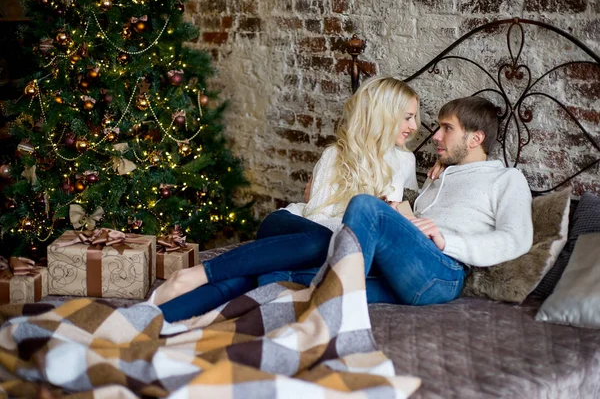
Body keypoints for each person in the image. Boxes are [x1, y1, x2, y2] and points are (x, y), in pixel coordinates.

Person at [152, 75, 421, 319]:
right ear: (383, 115)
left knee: (255, 278)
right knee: (323, 240)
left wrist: (440, 173)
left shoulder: (405, 161)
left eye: (415, 117)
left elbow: (406, 208)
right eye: (407, 117)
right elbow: (317, 215)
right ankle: (198, 274)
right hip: (291, 226)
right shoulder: (337, 155)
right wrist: (355, 226)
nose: (415, 126)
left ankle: (160, 316)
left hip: (329, 246)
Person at [262, 95, 534, 305]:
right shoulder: (438, 177)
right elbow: (422, 219)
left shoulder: (507, 179)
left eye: (447, 128)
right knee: (274, 278)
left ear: (476, 138)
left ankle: (336, 318)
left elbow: (516, 239)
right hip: (406, 267)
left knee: (365, 204)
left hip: (442, 270)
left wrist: (447, 240)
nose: (436, 136)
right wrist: (399, 213)